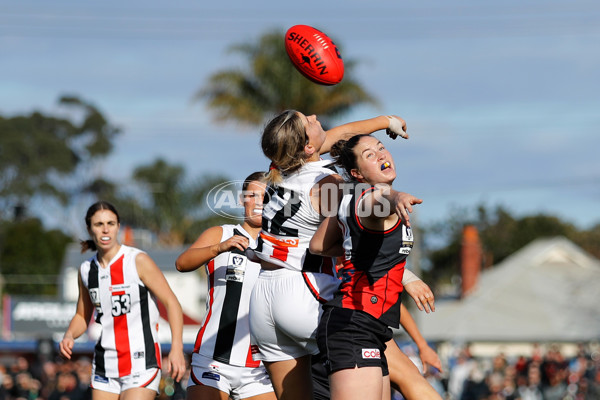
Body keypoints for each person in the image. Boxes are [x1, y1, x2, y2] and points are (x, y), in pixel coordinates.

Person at [249, 110, 433, 400]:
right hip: (304, 289)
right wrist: (407, 275)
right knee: (407, 374)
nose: (314, 115)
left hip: (262, 298)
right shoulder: (328, 183)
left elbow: (340, 133)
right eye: (307, 120)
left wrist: (385, 122)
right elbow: (356, 228)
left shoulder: (280, 164)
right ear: (309, 147)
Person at [308, 133, 442, 400]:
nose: (381, 155)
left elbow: (318, 246)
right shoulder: (372, 199)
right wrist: (397, 196)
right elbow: (380, 201)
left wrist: (404, 274)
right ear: (357, 173)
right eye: (370, 154)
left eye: (381, 148)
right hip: (353, 325)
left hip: (370, 329)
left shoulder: (348, 198)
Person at [59, 201, 186, 400]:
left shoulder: (138, 260)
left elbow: (172, 303)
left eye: (110, 223)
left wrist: (176, 348)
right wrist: (69, 335)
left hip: (141, 361)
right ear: (89, 229)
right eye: (99, 224)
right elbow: (82, 315)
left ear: (118, 226)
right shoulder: (85, 270)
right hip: (105, 364)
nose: (105, 229)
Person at [175, 172, 275, 400]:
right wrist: (218, 248)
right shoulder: (222, 233)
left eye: (266, 196)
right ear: (242, 200)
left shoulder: (281, 246)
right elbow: (181, 263)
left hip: (260, 365)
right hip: (213, 359)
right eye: (253, 195)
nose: (259, 202)